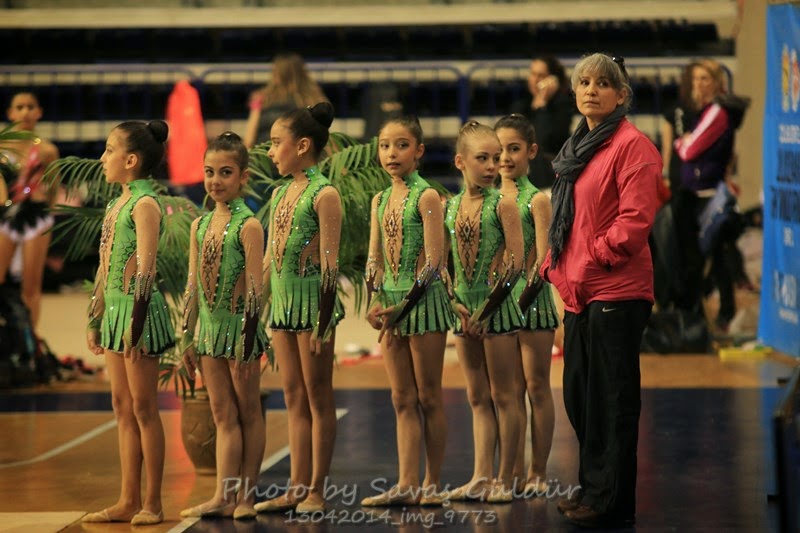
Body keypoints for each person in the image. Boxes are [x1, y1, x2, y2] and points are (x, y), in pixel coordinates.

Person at [539, 54, 661, 528]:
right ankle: (593, 489)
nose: (591, 89)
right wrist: (556, 264)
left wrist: (591, 259)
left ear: (622, 95)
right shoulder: (578, 146)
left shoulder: (633, 146)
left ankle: (610, 501)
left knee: (612, 402)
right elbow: (570, 219)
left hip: (617, 289)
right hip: (579, 289)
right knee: (581, 397)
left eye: (603, 83)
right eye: (584, 82)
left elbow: (635, 221)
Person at [82, 120, 175, 526]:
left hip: (139, 315)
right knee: (122, 406)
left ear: (131, 160)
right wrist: (95, 316)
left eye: (109, 150)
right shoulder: (116, 204)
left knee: (143, 407)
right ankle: (127, 498)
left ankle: (152, 502)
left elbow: (146, 271)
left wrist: (135, 325)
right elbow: (105, 267)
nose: (103, 158)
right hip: (115, 314)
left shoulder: (145, 204)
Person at [359, 116, 454, 507]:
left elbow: (434, 263)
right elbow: (374, 259)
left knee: (428, 396)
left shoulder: (427, 196)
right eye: (385, 145)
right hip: (391, 307)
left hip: (423, 304)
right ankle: (406, 483)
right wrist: (374, 301)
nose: (391, 153)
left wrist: (403, 306)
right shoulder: (380, 200)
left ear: (419, 151)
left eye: (401, 145)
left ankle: (432, 482)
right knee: (401, 398)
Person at [255, 102, 343, 514]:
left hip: (313, 308)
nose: (271, 152)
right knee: (292, 396)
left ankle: (316, 490)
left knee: (317, 396)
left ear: (303, 145)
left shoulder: (324, 194)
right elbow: (269, 259)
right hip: (283, 307)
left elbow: (330, 265)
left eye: (277, 143)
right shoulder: (280, 193)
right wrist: (252, 311)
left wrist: (323, 323)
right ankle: (295, 486)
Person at [178, 132, 269, 520]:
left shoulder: (249, 226)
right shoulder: (200, 226)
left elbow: (256, 289)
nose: (215, 180)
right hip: (209, 332)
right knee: (221, 414)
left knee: (248, 412)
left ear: (243, 177)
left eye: (226, 172)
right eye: (209, 172)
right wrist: (187, 336)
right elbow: (192, 286)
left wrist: (247, 341)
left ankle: (246, 496)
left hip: (240, 331)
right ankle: (222, 495)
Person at [444, 121, 524, 503]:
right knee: (477, 397)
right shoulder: (450, 206)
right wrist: (453, 302)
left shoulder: (503, 204)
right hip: (464, 310)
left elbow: (517, 263)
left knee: (504, 396)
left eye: (496, 157)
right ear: (460, 162)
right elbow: (441, 264)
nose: (493, 166)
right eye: (483, 158)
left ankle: (506, 478)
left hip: (497, 309)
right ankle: (480, 475)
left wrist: (488, 309)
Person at [494, 114, 559, 496]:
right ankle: (512, 468)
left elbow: (544, 261)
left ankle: (538, 470)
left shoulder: (536, 200)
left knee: (536, 386)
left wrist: (519, 300)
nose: (504, 157)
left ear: (531, 151)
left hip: (531, 301)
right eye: (499, 149)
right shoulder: (488, 200)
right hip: (499, 302)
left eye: (513, 149)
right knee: (508, 390)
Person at [669, 58, 749, 334]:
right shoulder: (705, 111)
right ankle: (704, 314)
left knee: (715, 257)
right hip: (698, 192)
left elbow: (689, 150)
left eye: (705, 78)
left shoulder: (716, 111)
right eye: (695, 79)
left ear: (717, 83)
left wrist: (681, 142)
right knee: (709, 258)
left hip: (708, 196)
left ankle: (721, 315)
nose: (699, 84)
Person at [0, 92, 59, 331]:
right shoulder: (2, 146)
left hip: (36, 217)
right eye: (20, 107)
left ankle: (30, 340)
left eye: (30, 106)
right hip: (6, 216)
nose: (25, 111)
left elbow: (53, 187)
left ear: (39, 112)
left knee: (31, 285)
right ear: (10, 113)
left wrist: (46, 210)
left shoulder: (47, 150)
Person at [511, 55, 575, 190]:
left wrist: (542, 106)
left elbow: (542, 141)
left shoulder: (563, 105)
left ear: (552, 80)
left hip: (550, 176)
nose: (535, 80)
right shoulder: (521, 105)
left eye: (540, 76)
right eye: (532, 74)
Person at [243, 53, 328, 149]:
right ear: (301, 73)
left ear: (277, 73)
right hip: (299, 154)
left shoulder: (261, 97)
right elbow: (322, 135)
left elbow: (249, 138)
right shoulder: (312, 98)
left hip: (264, 153)